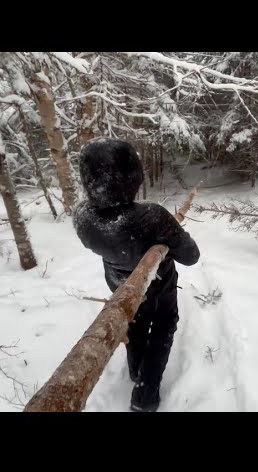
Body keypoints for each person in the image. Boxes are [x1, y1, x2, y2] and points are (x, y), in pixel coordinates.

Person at [73, 138, 200, 412]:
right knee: (164, 325)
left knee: (135, 323)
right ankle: (145, 396)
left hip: (119, 284)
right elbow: (191, 256)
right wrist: (169, 231)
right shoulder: (150, 216)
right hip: (157, 287)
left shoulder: (82, 217)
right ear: (131, 177)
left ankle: (135, 370)